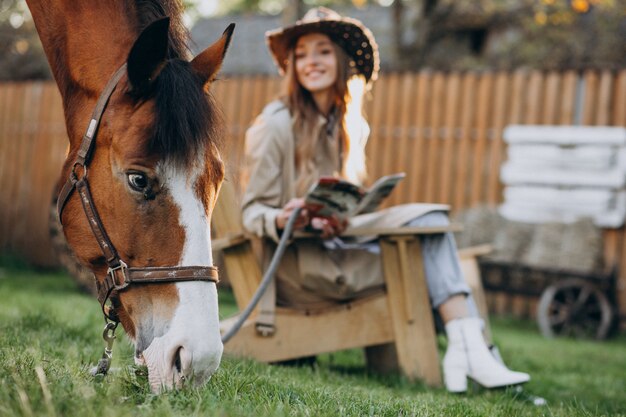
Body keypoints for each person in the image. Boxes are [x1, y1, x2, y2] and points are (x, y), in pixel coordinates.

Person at [241, 7, 530, 393]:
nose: (312, 62)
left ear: (341, 60)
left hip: (337, 248)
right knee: (430, 235)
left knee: (430, 233)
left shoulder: (349, 126)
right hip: (301, 268)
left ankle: (473, 355)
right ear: (291, 65)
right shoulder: (275, 124)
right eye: (302, 54)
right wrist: (282, 217)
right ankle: (477, 356)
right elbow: (251, 212)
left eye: (323, 51)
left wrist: (341, 215)